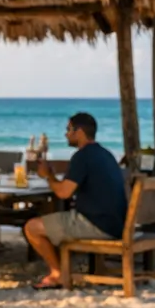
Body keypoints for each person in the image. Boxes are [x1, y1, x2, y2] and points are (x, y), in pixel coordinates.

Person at [26, 112, 129, 290]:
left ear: (79, 132)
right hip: (117, 224)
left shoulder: (82, 157)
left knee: (32, 228)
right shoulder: (105, 154)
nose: (66, 134)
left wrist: (48, 176)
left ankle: (57, 274)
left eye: (68, 129)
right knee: (55, 219)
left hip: (96, 224)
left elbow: (64, 193)